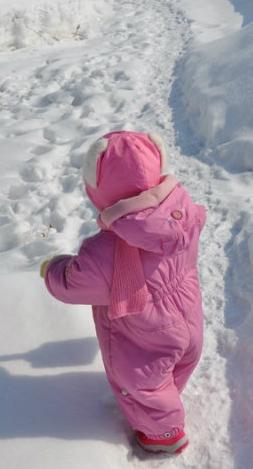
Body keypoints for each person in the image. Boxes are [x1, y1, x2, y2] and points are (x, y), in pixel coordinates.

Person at [40, 131, 206, 455]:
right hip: (188, 317)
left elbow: (74, 284)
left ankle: (163, 435)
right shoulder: (183, 215)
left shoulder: (105, 252)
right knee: (175, 368)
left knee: (145, 384)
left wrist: (53, 268)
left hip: (145, 335)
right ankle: (169, 402)